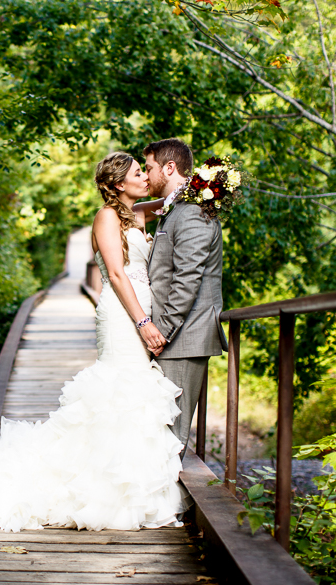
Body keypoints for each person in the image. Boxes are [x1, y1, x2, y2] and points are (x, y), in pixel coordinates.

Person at [0, 151, 187, 532]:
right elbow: (115, 272)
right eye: (136, 173)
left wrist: (209, 183)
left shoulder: (138, 213)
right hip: (123, 316)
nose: (145, 177)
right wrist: (144, 321)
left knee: (134, 397)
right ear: (116, 185)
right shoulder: (107, 216)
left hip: (139, 310)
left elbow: (170, 198)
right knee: (121, 392)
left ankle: (128, 487)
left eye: (143, 171)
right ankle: (106, 491)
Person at [141, 138, 227, 456]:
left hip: (182, 339)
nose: (146, 176)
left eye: (148, 168)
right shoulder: (177, 210)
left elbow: (186, 281)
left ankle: (170, 507)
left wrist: (159, 333)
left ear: (169, 167)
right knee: (158, 432)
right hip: (174, 339)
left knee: (170, 439)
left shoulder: (192, 213)